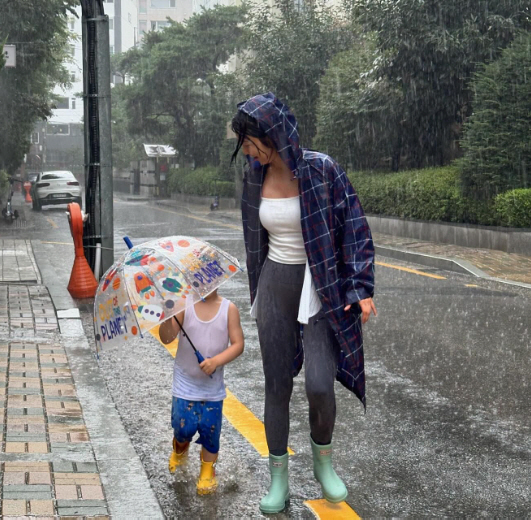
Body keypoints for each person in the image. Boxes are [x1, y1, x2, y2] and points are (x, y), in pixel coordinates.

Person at [231, 92, 377, 513]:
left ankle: (323, 463)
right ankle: (278, 479)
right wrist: (257, 289)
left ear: (271, 134)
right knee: (276, 385)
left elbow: (354, 229)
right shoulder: (253, 177)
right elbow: (253, 238)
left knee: (318, 383)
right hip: (275, 282)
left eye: (248, 139)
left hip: (320, 286)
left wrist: (360, 288)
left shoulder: (321, 170)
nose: (244, 148)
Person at [159, 289, 244, 495]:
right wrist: (166, 316)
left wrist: (216, 361)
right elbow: (167, 338)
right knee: (183, 427)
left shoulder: (228, 309)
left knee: (210, 431)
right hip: (184, 384)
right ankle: (179, 448)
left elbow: (238, 344)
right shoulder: (183, 305)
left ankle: (207, 470)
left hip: (212, 387)